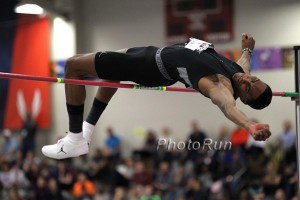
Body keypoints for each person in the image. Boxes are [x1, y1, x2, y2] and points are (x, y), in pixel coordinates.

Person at [42, 33, 272, 159]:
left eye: (249, 88)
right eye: (254, 80)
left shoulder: (220, 87)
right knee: (111, 73)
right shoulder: (241, 76)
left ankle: (74, 141)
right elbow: (245, 65)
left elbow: (228, 107)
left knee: (73, 65)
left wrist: (249, 125)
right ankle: (86, 131)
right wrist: (247, 49)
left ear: (245, 98)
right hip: (153, 53)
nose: (247, 81)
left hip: (149, 67)